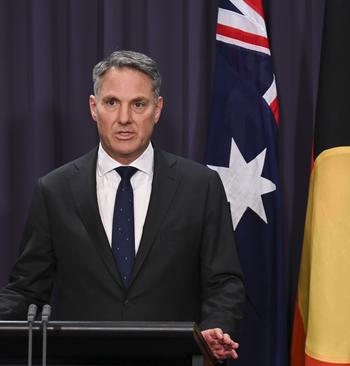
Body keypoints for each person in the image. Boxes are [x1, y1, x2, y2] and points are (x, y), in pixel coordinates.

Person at [0, 50, 245, 360]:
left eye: (138, 104)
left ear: (157, 109)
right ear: (94, 107)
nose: (124, 118)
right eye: (112, 102)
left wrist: (217, 326)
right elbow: (26, 289)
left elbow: (224, 281)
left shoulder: (200, 186)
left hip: (172, 358)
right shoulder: (55, 189)